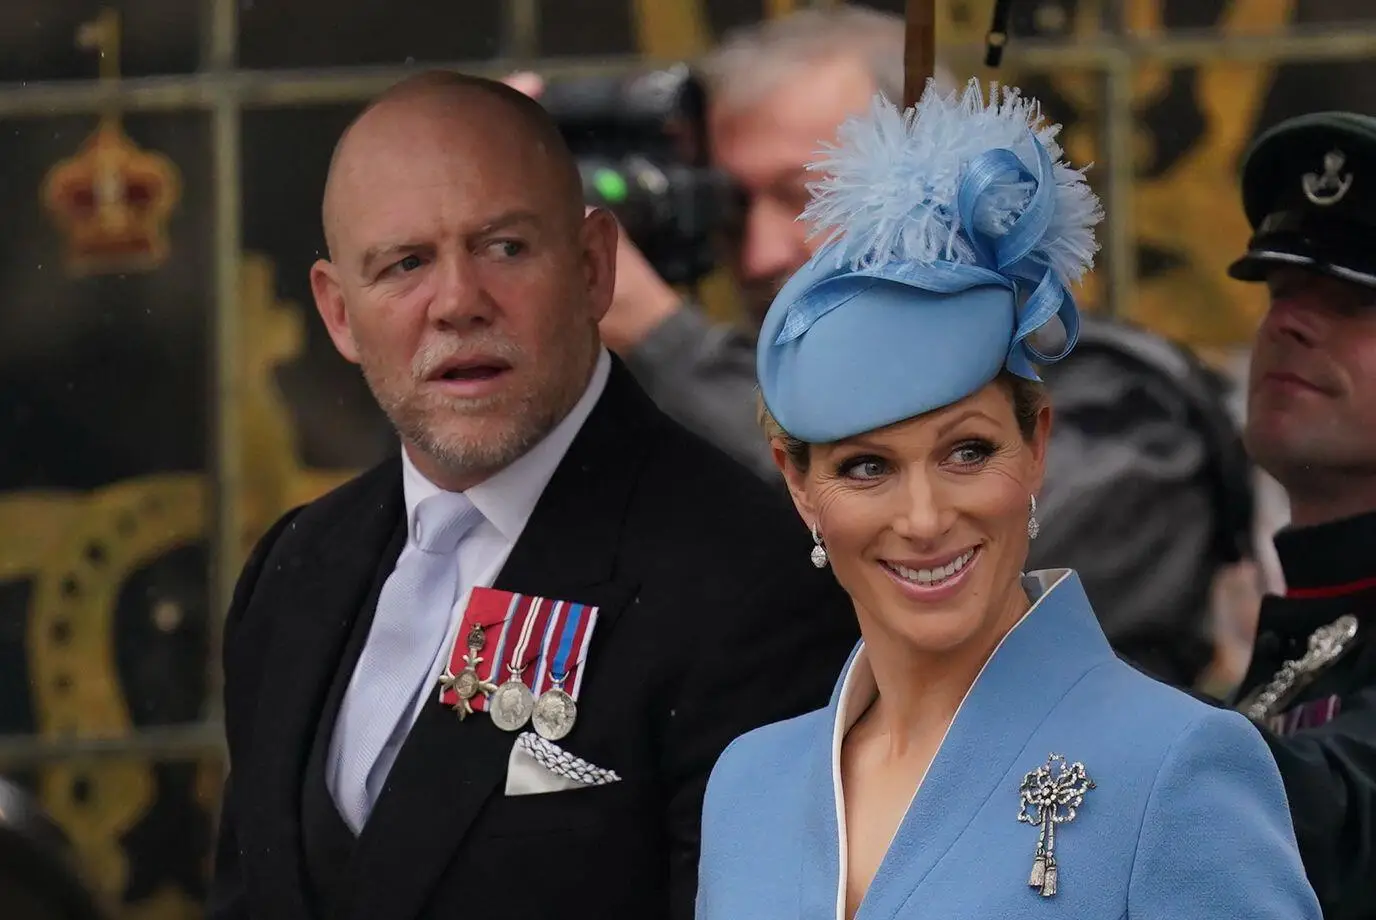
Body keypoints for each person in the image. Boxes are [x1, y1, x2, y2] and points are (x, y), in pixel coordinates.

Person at [205, 71, 857, 920]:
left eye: (504, 247)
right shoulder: (293, 568)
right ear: (337, 314)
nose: (458, 303)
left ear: (594, 268)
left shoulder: (751, 580)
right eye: (405, 264)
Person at [694, 78, 1319, 920]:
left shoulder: (1175, 763)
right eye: (867, 468)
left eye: (967, 451)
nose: (922, 519)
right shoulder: (749, 782)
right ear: (797, 483)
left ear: (1037, 447)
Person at [518, 5, 1253, 689]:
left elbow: (1020, 557)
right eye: (734, 208)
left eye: (805, 195)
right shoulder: (697, 391)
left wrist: (661, 339)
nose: (759, 254)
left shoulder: (1122, 407)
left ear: (927, 179)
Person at [1223, 111, 1376, 920]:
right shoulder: (1314, 612)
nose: (1286, 320)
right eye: (1281, 291)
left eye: (1353, 302)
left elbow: (1337, 821)